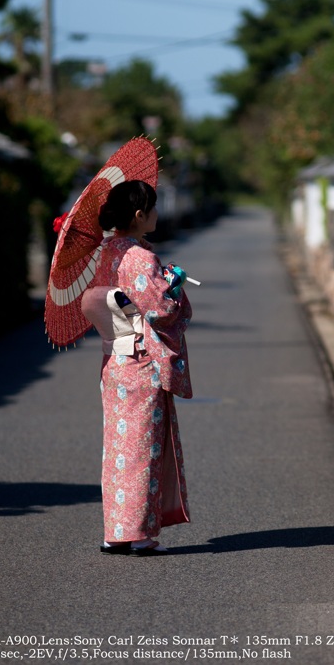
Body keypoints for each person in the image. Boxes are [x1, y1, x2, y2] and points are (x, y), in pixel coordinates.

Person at [80, 179, 193, 556]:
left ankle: (116, 532)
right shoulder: (141, 258)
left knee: (117, 448)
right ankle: (139, 535)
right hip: (142, 364)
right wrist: (173, 286)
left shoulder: (108, 252)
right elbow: (162, 311)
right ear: (140, 214)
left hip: (114, 361)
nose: (158, 214)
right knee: (143, 448)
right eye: (154, 208)